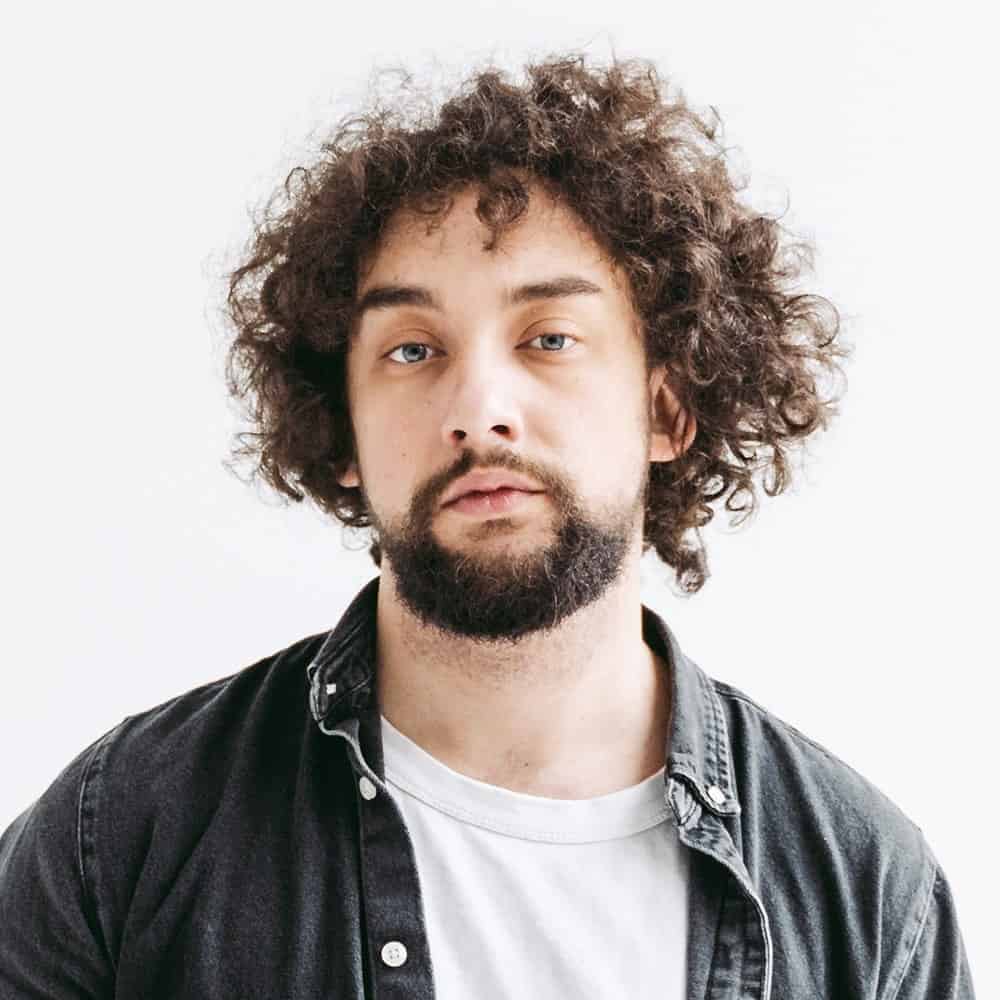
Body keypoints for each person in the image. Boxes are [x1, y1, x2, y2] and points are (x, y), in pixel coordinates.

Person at [0, 53, 975, 999]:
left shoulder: (867, 895)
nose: (478, 409)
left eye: (549, 338)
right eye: (412, 349)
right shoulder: (118, 837)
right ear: (341, 429)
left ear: (667, 410)